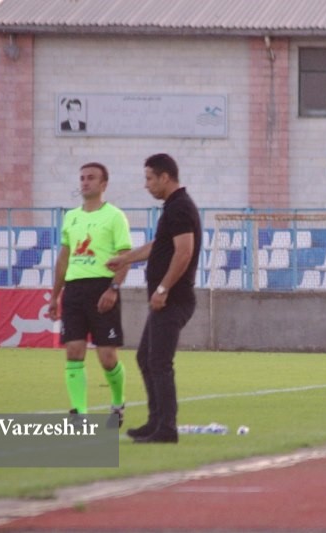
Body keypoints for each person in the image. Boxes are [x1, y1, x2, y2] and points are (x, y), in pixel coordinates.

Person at [107, 153, 201, 443]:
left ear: (165, 177)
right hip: (167, 298)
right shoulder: (173, 207)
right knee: (146, 358)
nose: (146, 184)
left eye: (149, 178)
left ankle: (167, 428)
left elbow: (184, 251)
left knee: (159, 361)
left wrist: (163, 289)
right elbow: (159, 246)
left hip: (174, 298)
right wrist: (125, 259)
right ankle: (155, 421)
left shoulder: (180, 207)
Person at [48, 162, 131, 428]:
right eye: (82, 178)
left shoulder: (115, 216)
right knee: (73, 350)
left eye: (91, 178)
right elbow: (64, 258)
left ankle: (117, 404)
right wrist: (55, 295)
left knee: (107, 356)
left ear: (103, 184)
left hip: (101, 288)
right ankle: (78, 414)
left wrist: (113, 289)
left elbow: (125, 256)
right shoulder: (71, 217)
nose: (85, 182)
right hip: (74, 290)